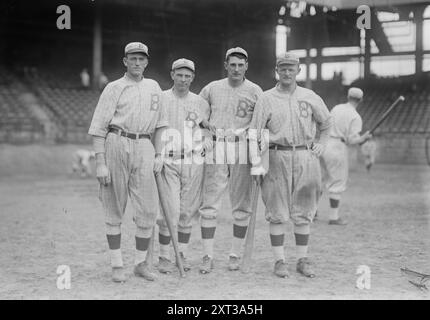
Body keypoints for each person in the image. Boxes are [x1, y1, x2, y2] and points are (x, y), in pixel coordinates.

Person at [88, 42, 168, 283]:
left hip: (144, 144)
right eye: (132, 58)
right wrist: (100, 162)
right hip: (117, 142)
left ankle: (140, 264)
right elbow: (98, 128)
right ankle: (116, 265)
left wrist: (159, 153)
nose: (137, 63)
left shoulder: (154, 87)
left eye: (141, 59)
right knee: (114, 207)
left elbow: (162, 124)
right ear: (125, 61)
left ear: (147, 62)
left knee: (148, 210)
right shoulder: (114, 87)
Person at [249, 52, 332, 278]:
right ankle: (279, 261)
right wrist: (257, 163)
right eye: (283, 68)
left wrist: (321, 144)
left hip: (306, 156)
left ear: (298, 71)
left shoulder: (310, 96)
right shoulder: (266, 98)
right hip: (276, 156)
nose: (287, 72)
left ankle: (302, 259)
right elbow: (255, 133)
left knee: (304, 211)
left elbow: (326, 123)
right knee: (277, 212)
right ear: (277, 71)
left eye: (291, 68)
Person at [198, 47, 263, 274]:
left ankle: (235, 254)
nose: (236, 68)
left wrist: (257, 157)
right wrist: (204, 135)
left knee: (241, 206)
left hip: (242, 148)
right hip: (216, 146)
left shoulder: (256, 91)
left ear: (246, 66)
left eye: (240, 64)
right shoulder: (211, 88)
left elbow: (260, 126)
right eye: (232, 64)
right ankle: (207, 255)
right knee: (209, 204)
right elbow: (197, 116)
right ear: (226, 65)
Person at [155, 58, 212, 274]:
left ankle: (182, 254)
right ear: (172, 75)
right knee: (170, 211)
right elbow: (153, 128)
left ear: (193, 78)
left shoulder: (200, 102)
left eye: (188, 76)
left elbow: (207, 127)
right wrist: (157, 153)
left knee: (188, 212)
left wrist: (207, 139)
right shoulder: (161, 98)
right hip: (168, 159)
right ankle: (163, 256)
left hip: (193, 160)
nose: (183, 79)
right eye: (179, 75)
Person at [319, 88, 372, 226]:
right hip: (337, 147)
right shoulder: (355, 116)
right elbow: (352, 141)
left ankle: (312, 214)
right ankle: (334, 217)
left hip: (323, 143)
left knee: (320, 179)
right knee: (337, 181)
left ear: (348, 96)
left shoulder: (337, 108)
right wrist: (364, 138)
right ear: (361, 100)